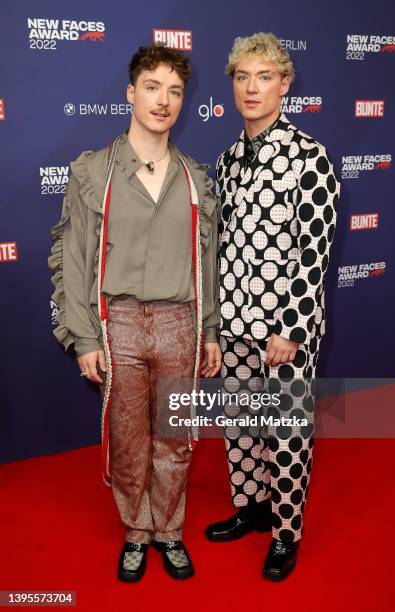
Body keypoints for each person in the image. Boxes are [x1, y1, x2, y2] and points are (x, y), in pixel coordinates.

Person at [49, 44, 221, 582]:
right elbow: (72, 257)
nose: (163, 101)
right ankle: (135, 530)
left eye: (174, 91)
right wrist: (83, 338)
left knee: (174, 436)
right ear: (130, 92)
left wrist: (209, 330)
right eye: (153, 87)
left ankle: (169, 532)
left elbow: (206, 262)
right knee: (127, 439)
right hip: (116, 322)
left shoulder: (195, 179)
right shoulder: (92, 171)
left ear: (183, 101)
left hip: (179, 323)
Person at [205, 32, 340, 580]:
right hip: (234, 320)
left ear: (285, 84)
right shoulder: (227, 160)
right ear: (233, 87)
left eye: (264, 77)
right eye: (242, 77)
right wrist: (215, 324)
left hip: (285, 331)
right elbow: (221, 247)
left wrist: (289, 329)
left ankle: (287, 531)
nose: (252, 88)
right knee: (240, 425)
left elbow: (314, 253)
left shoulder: (310, 158)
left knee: (285, 430)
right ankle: (252, 508)